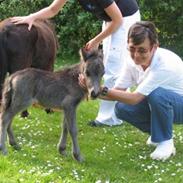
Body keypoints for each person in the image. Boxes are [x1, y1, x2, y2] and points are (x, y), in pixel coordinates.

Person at [11, 0, 141, 127]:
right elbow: (53, 9)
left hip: (124, 20)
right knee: (111, 64)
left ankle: (108, 119)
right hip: (111, 20)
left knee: (113, 68)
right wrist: (31, 17)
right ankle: (122, 109)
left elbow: (118, 20)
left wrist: (97, 40)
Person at [80, 20, 183, 160]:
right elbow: (116, 92)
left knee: (157, 94)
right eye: (132, 49)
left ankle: (166, 142)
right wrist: (92, 88)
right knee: (121, 108)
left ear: (154, 47)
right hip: (160, 104)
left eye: (142, 50)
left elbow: (135, 98)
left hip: (179, 106)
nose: (136, 55)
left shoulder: (164, 65)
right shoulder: (131, 62)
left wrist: (102, 90)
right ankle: (157, 135)